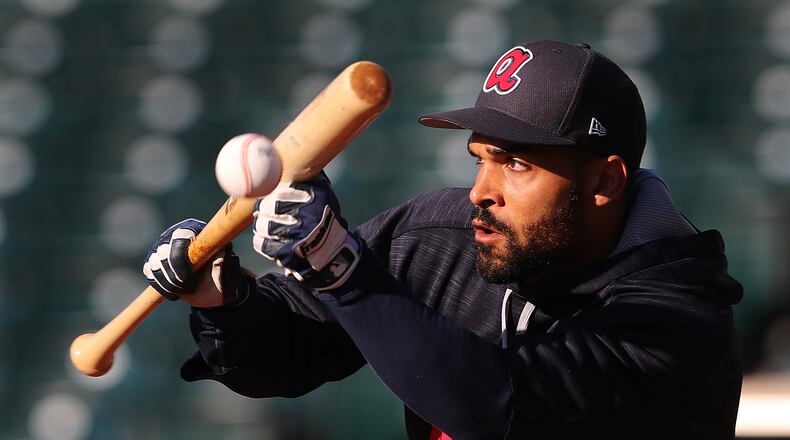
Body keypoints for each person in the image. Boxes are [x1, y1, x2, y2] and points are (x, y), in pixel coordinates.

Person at [143, 40, 743, 439]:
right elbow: (293, 346)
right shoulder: (449, 235)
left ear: (605, 181)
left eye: (516, 164)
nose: (481, 191)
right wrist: (223, 299)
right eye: (479, 158)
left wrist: (340, 267)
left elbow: (499, 406)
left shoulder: (678, 323)